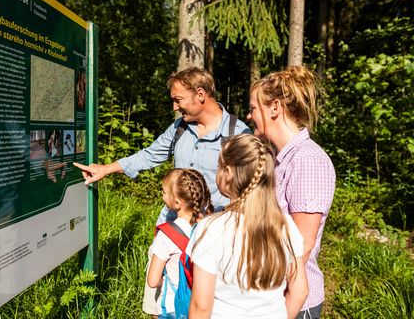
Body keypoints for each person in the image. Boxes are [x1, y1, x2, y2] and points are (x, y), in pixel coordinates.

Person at [74, 67, 250, 224]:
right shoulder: (179, 128)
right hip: (173, 226)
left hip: (214, 230)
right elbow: (149, 155)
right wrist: (106, 169)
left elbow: (250, 191)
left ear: (200, 94)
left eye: (178, 99)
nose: (174, 107)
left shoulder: (238, 134)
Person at [247, 66, 336, 319]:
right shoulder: (278, 159)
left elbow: (303, 244)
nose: (249, 115)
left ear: (274, 108)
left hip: (290, 301)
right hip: (268, 293)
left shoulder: (307, 160)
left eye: (254, 108)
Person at [187, 134, 308, 318]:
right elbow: (300, 291)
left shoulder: (211, 228)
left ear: (227, 173)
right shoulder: (285, 225)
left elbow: (201, 307)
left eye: (219, 166)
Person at [147, 169, 213, 319]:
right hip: (204, 304)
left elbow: (152, 281)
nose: (162, 195)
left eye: (164, 192)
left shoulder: (166, 235)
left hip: (173, 307)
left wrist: (163, 280)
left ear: (177, 202)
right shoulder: (209, 228)